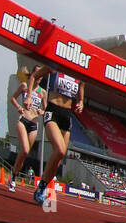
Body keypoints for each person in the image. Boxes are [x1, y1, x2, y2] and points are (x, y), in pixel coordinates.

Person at [28, 68, 85, 207]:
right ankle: (41, 187)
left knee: (59, 159)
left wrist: (81, 102)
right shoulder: (55, 66)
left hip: (67, 116)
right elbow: (34, 75)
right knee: (59, 150)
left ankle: (42, 188)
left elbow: (81, 89)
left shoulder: (79, 73)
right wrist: (29, 95)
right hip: (53, 111)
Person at [8, 68, 46, 191]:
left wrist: (42, 111)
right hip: (23, 120)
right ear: (33, 74)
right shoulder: (24, 86)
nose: (39, 76)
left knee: (24, 154)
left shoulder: (43, 92)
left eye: (41, 74)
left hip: (34, 124)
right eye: (37, 73)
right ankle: (13, 176)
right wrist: (19, 107)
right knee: (24, 150)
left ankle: (15, 172)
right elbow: (13, 98)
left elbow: (46, 109)